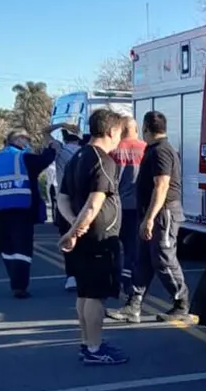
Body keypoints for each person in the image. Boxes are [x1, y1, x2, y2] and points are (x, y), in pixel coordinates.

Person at [57, 109, 128, 365]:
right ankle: (95, 349)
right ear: (111, 131)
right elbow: (94, 202)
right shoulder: (103, 160)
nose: (120, 137)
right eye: (120, 132)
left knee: (84, 293)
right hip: (98, 238)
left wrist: (71, 226)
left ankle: (88, 343)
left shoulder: (77, 157)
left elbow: (62, 199)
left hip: (83, 237)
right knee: (96, 295)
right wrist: (76, 229)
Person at [108, 110, 189, 324]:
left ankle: (182, 303)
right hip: (152, 213)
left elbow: (161, 186)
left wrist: (150, 218)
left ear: (145, 128)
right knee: (142, 261)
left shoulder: (161, 151)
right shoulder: (153, 150)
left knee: (163, 258)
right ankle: (133, 306)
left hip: (163, 214)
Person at [0, 128, 56, 299]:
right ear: (20, 140)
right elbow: (45, 160)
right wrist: (51, 146)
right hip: (20, 209)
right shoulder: (22, 157)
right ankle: (20, 286)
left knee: (7, 248)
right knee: (22, 249)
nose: (28, 143)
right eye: (27, 139)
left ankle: (15, 280)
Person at [111, 115, 146, 297]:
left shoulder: (114, 151)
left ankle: (115, 280)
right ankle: (128, 279)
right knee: (132, 247)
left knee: (114, 246)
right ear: (136, 129)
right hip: (137, 206)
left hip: (116, 206)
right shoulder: (145, 149)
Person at [49, 130, 82, 291]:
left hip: (65, 200)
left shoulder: (61, 151)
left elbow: (45, 134)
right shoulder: (87, 150)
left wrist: (61, 124)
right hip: (85, 200)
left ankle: (71, 276)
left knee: (67, 238)